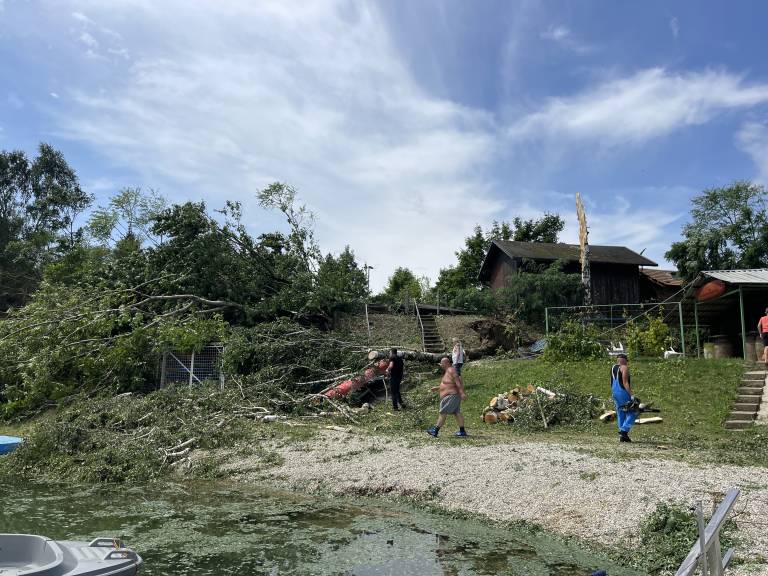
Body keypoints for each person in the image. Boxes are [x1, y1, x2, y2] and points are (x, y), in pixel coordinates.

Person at [426, 357, 468, 437]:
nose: (441, 365)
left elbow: (458, 382)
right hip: (452, 396)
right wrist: (438, 388)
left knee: (443, 412)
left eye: (441, 363)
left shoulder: (451, 370)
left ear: (446, 363)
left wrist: (462, 393)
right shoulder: (448, 371)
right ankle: (462, 431)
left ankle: (435, 430)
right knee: (456, 413)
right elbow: (448, 384)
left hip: (451, 396)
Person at [611, 354, 637, 443]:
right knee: (633, 412)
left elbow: (611, 381)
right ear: (625, 360)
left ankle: (622, 437)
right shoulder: (624, 368)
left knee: (621, 413)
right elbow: (625, 382)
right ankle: (624, 431)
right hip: (623, 392)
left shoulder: (613, 367)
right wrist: (632, 395)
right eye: (627, 361)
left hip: (615, 392)